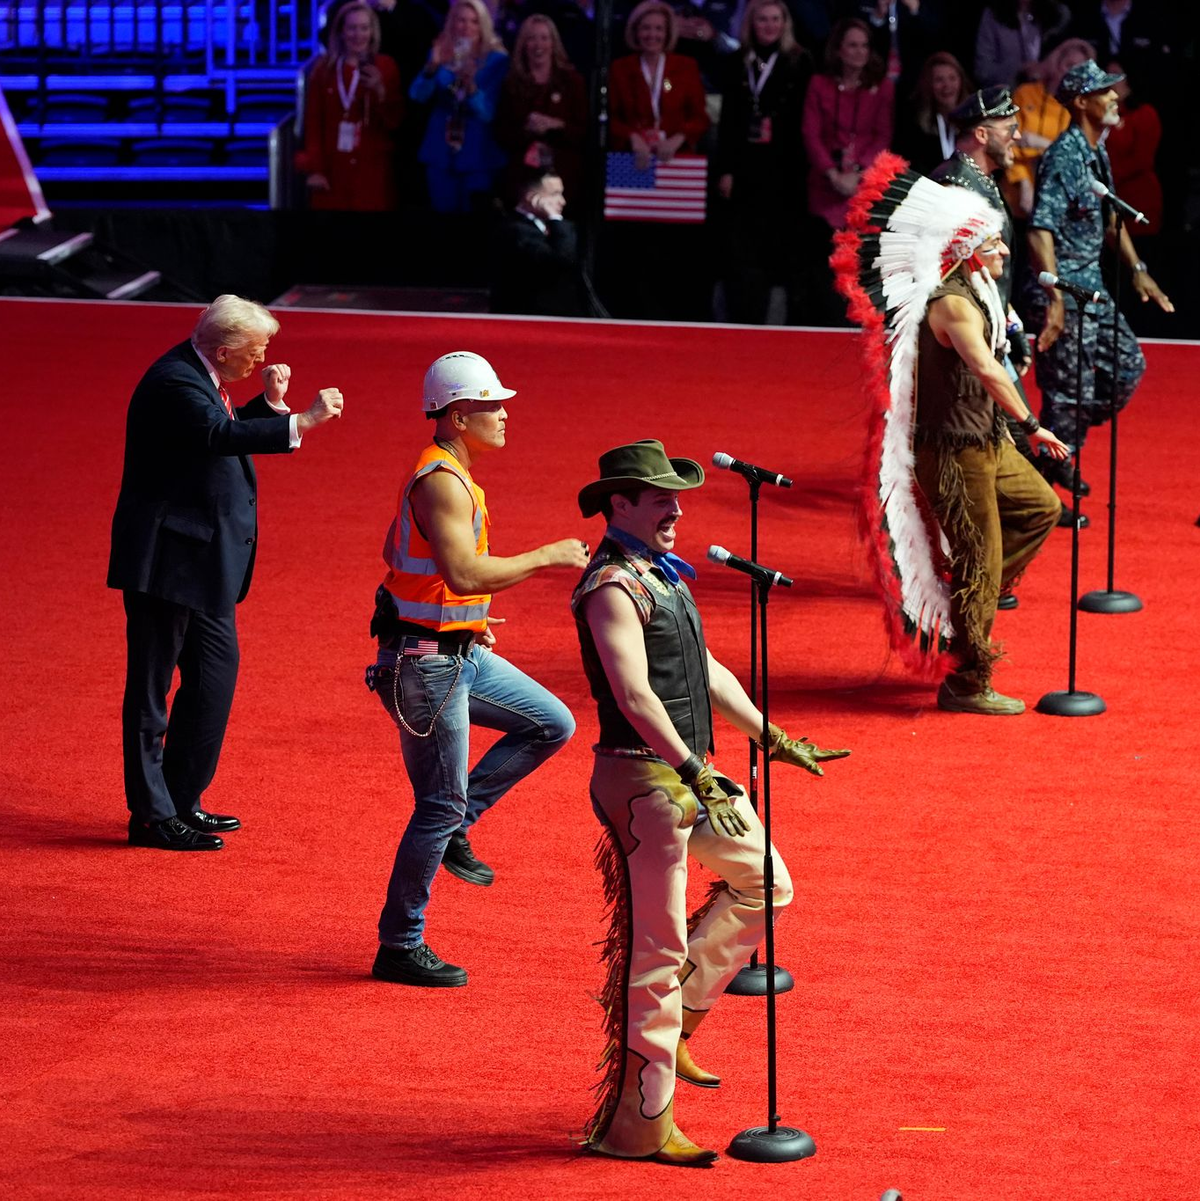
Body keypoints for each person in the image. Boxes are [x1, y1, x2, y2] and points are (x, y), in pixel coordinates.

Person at [573, 439, 849, 1164]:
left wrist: (773, 734)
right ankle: (639, 1126)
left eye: (676, 494)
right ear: (619, 504)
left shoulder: (660, 576)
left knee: (769, 881)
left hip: (695, 781)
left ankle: (683, 1019)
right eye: (660, 496)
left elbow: (706, 669)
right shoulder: (610, 586)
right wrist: (697, 770)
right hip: (648, 782)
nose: (676, 507)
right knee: (655, 950)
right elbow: (633, 694)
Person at [366, 351, 588, 988]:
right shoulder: (440, 480)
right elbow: (463, 571)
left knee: (551, 723)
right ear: (460, 415)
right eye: (493, 405)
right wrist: (546, 555)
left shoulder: (453, 475)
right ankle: (400, 944)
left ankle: (462, 824)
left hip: (455, 652)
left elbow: (409, 563)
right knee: (437, 804)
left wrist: (464, 617)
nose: (504, 414)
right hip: (426, 667)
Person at [109, 296, 344, 850]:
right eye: (258, 350)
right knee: (152, 691)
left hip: (205, 561)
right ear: (223, 350)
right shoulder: (175, 381)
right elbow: (216, 437)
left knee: (213, 682)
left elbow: (218, 429)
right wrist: (302, 421)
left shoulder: (200, 375)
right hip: (166, 562)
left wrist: (269, 405)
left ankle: (180, 799)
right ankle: (150, 816)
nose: (264, 358)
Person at [834, 159, 1067, 713]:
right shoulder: (952, 303)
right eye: (994, 243)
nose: (1006, 252)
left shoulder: (981, 288)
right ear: (966, 248)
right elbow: (987, 370)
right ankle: (967, 682)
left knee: (1040, 509)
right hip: (953, 450)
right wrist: (1032, 426)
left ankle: (964, 594)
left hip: (985, 440)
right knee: (979, 559)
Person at [1025, 60, 1173, 492]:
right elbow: (1039, 231)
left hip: (1094, 289)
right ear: (1082, 102)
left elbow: (1111, 221)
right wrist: (1054, 300)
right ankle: (1046, 489)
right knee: (1070, 392)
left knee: (1126, 369)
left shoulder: (1096, 151)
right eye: (1104, 90)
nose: (1115, 95)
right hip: (1066, 289)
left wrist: (1139, 270)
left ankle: (1053, 452)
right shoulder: (1065, 156)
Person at [930, 86, 1055, 543]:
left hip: (987, 320)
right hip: (962, 330)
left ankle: (990, 544)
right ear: (981, 133)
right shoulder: (954, 184)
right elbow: (948, 271)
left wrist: (1012, 323)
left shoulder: (979, 180)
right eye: (1008, 129)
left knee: (1003, 435)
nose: (1018, 135)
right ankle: (978, 553)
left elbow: (991, 271)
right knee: (1001, 435)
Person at [714, 0, 813, 323]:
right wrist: (725, 169)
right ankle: (744, 317)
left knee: (781, 245)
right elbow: (728, 121)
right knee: (743, 247)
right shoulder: (736, 62)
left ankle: (780, 321)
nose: (769, 26)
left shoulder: (800, 62)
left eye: (775, 19)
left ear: (785, 23)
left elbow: (805, 121)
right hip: (745, 167)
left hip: (786, 169)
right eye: (762, 19)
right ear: (750, 23)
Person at [296, 1, 404, 211]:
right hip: (333, 169)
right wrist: (315, 170)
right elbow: (314, 124)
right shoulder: (323, 70)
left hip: (372, 170)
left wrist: (380, 92)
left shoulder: (385, 66)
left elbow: (395, 122)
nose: (358, 35)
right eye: (352, 28)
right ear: (341, 32)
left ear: (373, 32)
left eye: (364, 28)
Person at [409, 0, 510, 213]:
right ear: (451, 23)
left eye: (474, 22)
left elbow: (488, 112)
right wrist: (432, 67)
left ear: (483, 26)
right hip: (440, 152)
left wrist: (472, 89)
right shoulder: (439, 53)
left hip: (478, 154)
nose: (466, 27)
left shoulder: (497, 61)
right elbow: (418, 95)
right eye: (461, 20)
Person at [802, 18, 893, 233]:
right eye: (853, 45)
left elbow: (882, 136)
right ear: (839, 50)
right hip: (825, 182)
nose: (860, 51)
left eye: (864, 45)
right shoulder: (818, 85)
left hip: (865, 181)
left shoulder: (883, 88)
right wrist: (833, 174)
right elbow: (810, 134)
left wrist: (859, 173)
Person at [494, 14, 587, 205]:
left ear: (554, 43)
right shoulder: (512, 83)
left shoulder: (572, 81)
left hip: (563, 179)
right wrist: (527, 129)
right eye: (531, 38)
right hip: (522, 179)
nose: (538, 45)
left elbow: (584, 132)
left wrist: (557, 125)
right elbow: (500, 133)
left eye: (544, 38)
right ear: (523, 44)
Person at [608, 0, 710, 168]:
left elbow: (699, 118)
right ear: (635, 31)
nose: (652, 35)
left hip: (676, 158)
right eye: (645, 28)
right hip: (633, 159)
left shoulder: (686, 67)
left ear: (668, 32)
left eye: (658, 29)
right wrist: (632, 137)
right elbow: (612, 118)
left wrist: (678, 138)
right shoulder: (620, 69)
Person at [1002, 37, 1093, 218]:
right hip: (1016, 193)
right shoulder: (1025, 93)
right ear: (1055, 62)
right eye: (1069, 64)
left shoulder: (1080, 107)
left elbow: (1076, 157)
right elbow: (1008, 141)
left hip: (1057, 201)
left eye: (1080, 69)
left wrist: (1039, 142)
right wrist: (1024, 182)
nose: (1072, 73)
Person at [490, 168, 600, 316]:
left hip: (563, 316)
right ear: (532, 197)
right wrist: (554, 217)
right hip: (528, 318)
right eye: (555, 194)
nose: (562, 201)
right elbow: (561, 258)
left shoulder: (561, 226)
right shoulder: (514, 230)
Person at [897, 50, 972, 173]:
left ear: (961, 81)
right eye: (939, 80)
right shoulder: (915, 125)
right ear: (928, 85)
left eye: (952, 78)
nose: (946, 85)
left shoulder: (974, 121)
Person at [972, 0, 1070, 91]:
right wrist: (1019, 71)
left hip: (1040, 97)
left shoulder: (1054, 16)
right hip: (1004, 97)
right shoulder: (992, 15)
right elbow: (983, 71)